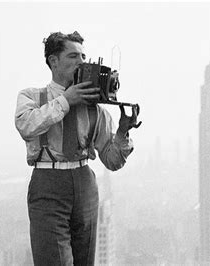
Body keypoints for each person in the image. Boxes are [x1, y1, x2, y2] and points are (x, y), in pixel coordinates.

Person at [15, 31, 140, 266]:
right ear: (54, 61)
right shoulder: (32, 96)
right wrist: (66, 100)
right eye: (73, 56)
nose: (82, 62)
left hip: (85, 183)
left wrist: (123, 131)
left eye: (83, 56)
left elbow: (112, 161)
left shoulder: (94, 107)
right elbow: (26, 126)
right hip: (48, 182)